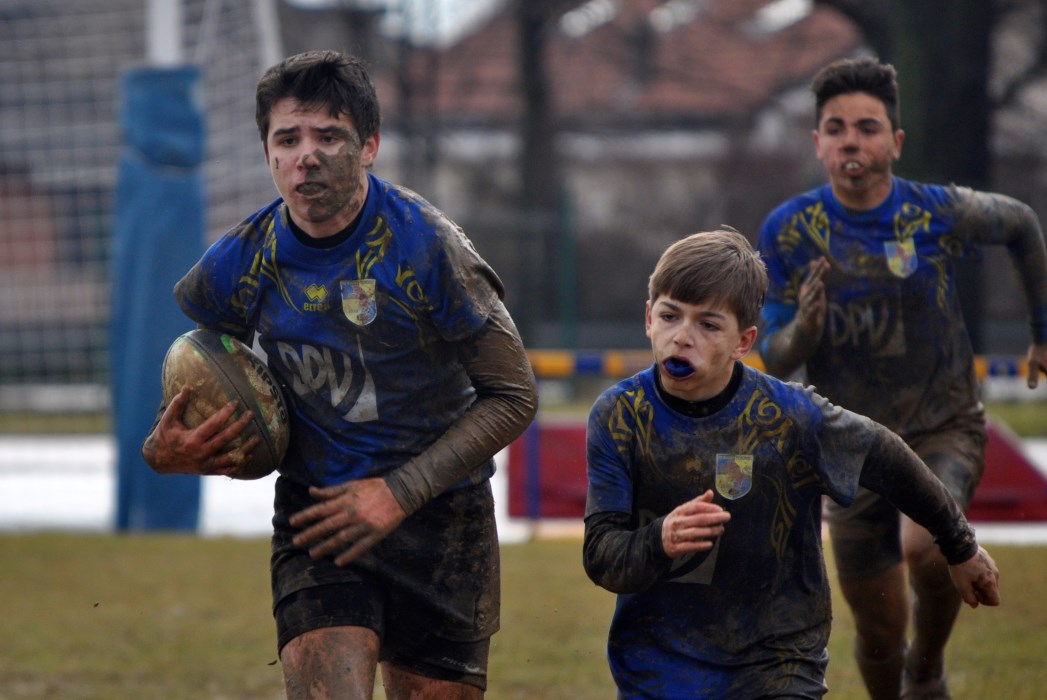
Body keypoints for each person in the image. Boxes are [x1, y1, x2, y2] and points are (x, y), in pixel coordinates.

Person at [141, 50, 538, 699]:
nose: (307, 156)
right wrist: (168, 449)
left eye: (329, 136)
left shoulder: (427, 247)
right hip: (320, 518)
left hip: (443, 524)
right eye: (287, 138)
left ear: (369, 145)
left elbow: (513, 396)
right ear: (267, 150)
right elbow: (200, 378)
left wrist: (397, 492)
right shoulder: (240, 262)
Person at [582, 228, 1000, 699]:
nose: (682, 337)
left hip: (779, 661)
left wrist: (960, 546)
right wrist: (659, 539)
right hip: (659, 665)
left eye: (708, 325)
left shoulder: (792, 416)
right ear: (647, 320)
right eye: (670, 316)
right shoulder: (619, 416)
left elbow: (888, 457)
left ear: (744, 341)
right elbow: (602, 557)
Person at [756, 56, 1047, 699]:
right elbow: (772, 358)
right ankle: (899, 677)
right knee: (879, 628)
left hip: (944, 425)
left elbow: (1023, 224)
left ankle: (929, 668)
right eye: (836, 128)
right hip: (848, 444)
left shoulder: (937, 211)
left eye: (867, 127)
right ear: (817, 143)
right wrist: (803, 331)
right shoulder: (789, 231)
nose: (851, 141)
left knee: (926, 546)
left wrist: (1041, 331)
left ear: (895, 141)